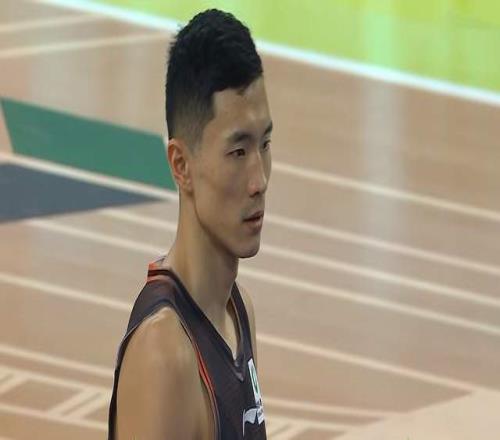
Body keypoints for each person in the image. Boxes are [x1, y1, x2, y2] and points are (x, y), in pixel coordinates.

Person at [107, 8, 272, 439]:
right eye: (238, 152)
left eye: (265, 144)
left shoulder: (239, 312)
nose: (259, 180)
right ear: (181, 165)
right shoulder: (165, 355)